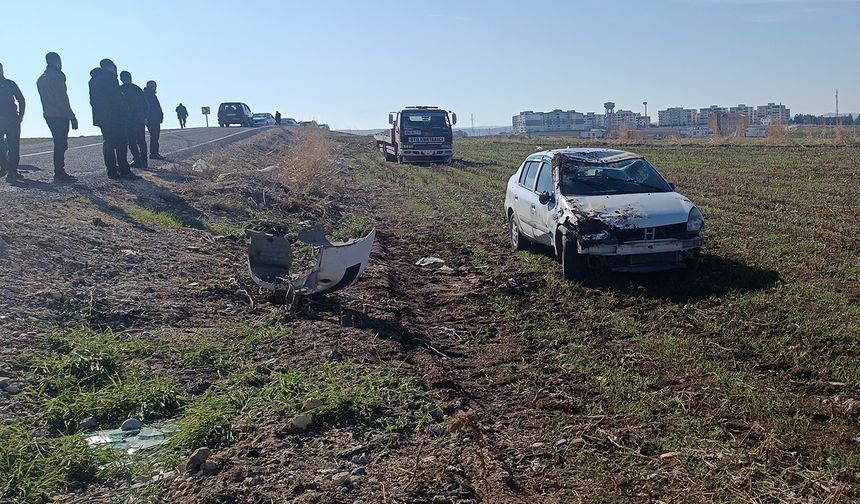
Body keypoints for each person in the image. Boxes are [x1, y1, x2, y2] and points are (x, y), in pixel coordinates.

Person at [89, 59, 138, 180]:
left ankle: (111, 171)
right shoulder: (109, 78)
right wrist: (125, 109)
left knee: (108, 142)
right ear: (111, 67)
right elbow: (115, 97)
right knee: (121, 143)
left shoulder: (93, 80)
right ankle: (124, 170)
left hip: (101, 117)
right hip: (115, 116)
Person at [36, 52, 77, 183]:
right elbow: (62, 99)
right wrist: (71, 116)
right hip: (59, 115)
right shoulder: (57, 77)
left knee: (59, 143)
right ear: (57, 61)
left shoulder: (41, 78)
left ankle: (59, 171)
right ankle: (59, 172)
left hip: (48, 114)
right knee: (61, 144)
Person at [0, 63, 25, 182]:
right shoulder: (9, 83)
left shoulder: (10, 83)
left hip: (12, 119)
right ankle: (4, 169)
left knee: (14, 146)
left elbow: (21, 99)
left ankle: (12, 171)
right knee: (2, 146)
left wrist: (20, 115)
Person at [119, 71, 147, 169]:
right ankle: (144, 161)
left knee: (131, 141)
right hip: (139, 118)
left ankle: (137, 160)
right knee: (141, 140)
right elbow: (145, 104)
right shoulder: (137, 89)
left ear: (121, 79)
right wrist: (145, 116)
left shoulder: (120, 89)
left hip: (129, 119)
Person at [144, 81, 165, 160]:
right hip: (152, 119)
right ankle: (154, 153)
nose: (155, 87)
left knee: (155, 136)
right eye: (154, 85)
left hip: (153, 118)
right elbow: (153, 108)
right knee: (154, 136)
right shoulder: (149, 95)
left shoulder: (149, 94)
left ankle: (154, 153)